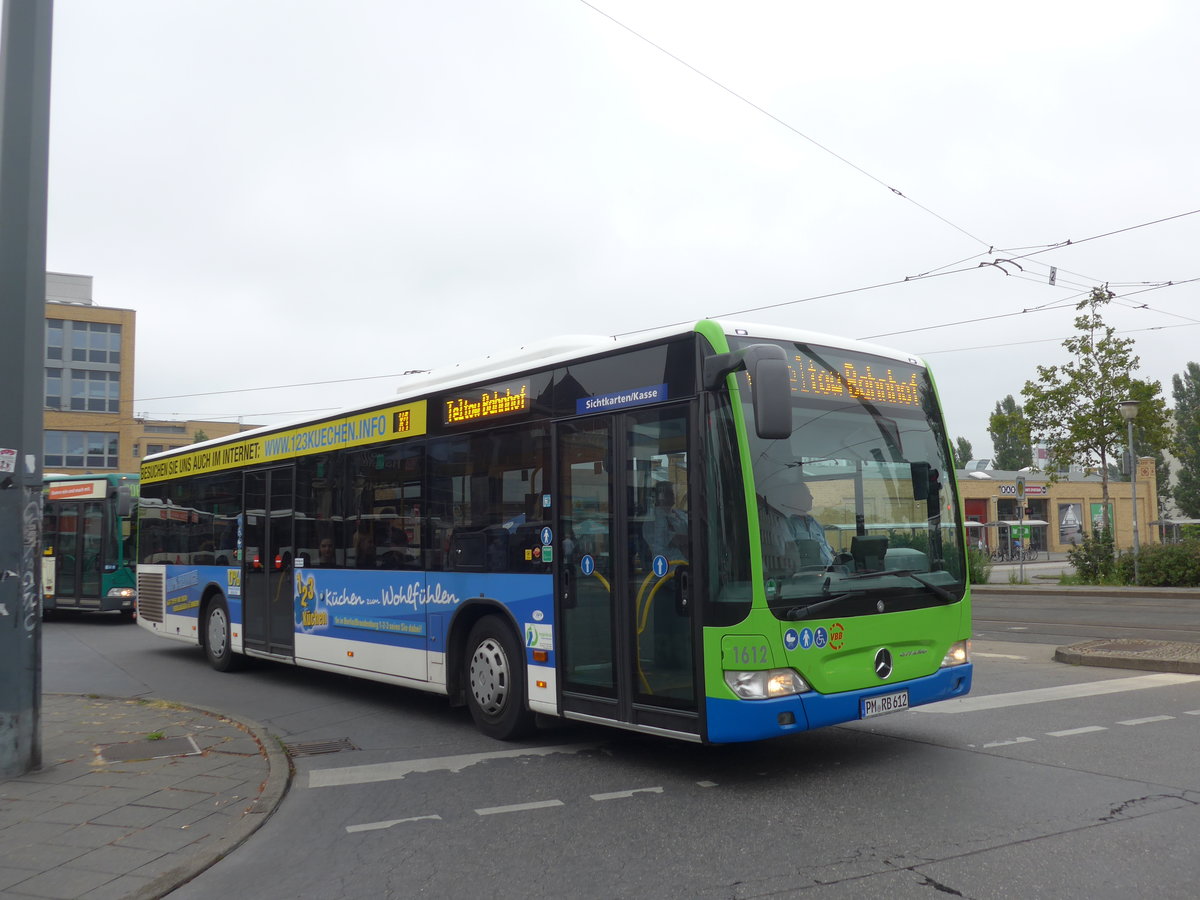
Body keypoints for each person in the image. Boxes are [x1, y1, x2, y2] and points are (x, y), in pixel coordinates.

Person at [778, 478, 835, 567]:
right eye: (807, 494)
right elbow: (787, 556)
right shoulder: (786, 524)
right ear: (795, 498)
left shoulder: (815, 523)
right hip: (807, 575)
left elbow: (828, 549)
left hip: (830, 572)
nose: (812, 497)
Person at [643, 482, 689, 563]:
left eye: (672, 492)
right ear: (661, 496)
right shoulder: (654, 518)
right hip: (669, 564)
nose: (673, 495)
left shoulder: (679, 513)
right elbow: (675, 540)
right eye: (670, 493)